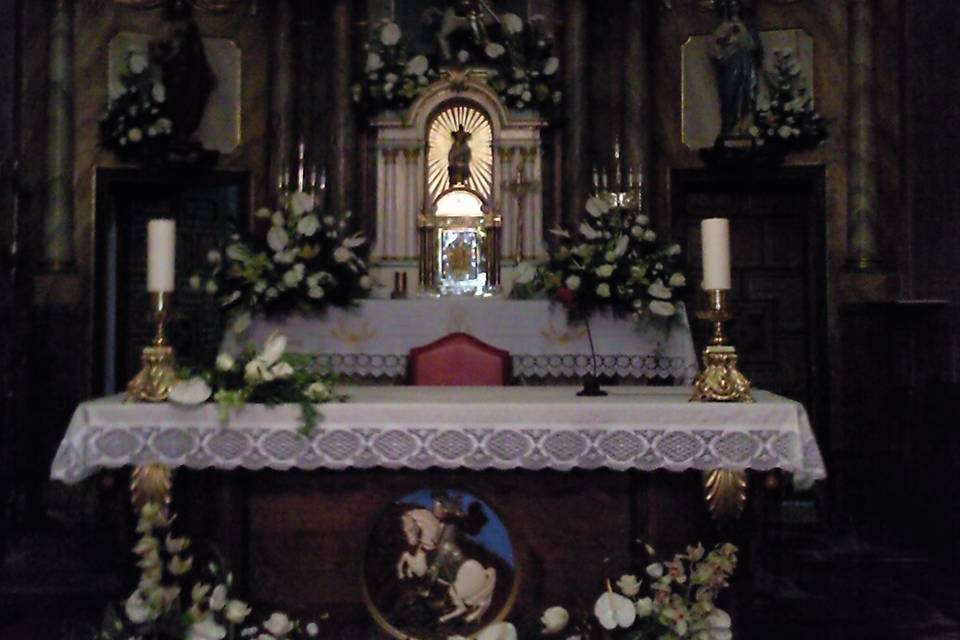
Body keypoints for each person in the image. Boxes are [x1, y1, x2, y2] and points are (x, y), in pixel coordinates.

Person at [708, 0, 762, 142]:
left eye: (736, 5)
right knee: (730, 96)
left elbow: (755, 48)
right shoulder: (723, 27)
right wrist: (723, 45)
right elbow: (715, 50)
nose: (734, 8)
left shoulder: (747, 27)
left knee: (746, 96)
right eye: (731, 5)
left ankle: (744, 127)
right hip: (729, 68)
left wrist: (742, 38)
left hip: (745, 67)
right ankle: (730, 127)